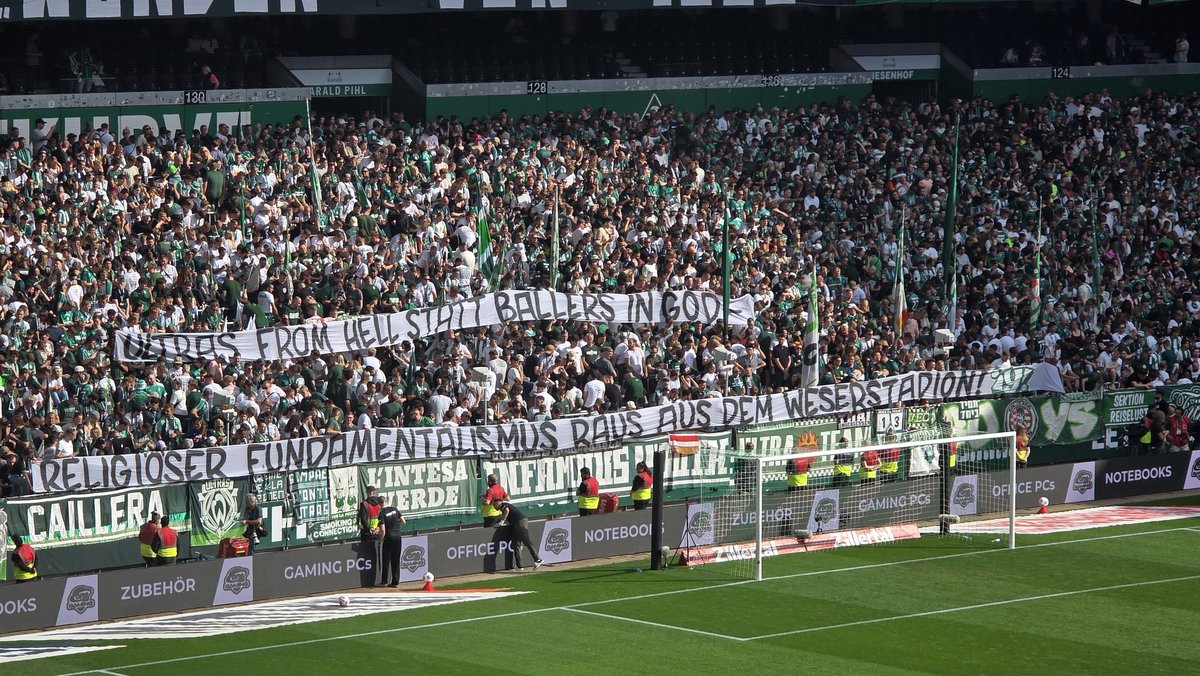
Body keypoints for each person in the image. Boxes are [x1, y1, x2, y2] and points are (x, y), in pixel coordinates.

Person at [492, 498, 543, 570]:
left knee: (526, 541)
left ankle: (538, 559)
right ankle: (520, 566)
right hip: (516, 524)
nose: (493, 507)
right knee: (516, 544)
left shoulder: (504, 505)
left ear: (498, 503)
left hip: (520, 522)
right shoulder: (502, 508)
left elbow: (507, 510)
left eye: (494, 505)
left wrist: (501, 522)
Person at [377, 496, 406, 588]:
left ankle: (384, 581)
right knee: (396, 559)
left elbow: (382, 530)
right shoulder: (394, 509)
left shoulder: (381, 513)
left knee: (386, 560)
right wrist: (395, 525)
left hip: (389, 538)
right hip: (398, 537)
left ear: (380, 503)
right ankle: (395, 581)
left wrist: (380, 539)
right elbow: (403, 521)